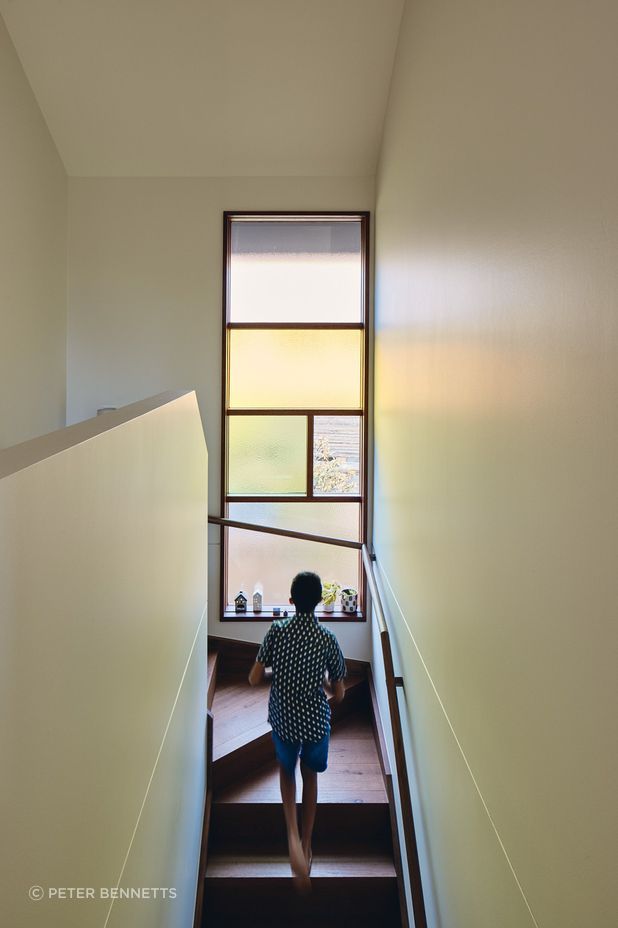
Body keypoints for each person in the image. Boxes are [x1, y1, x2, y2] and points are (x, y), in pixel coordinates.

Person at [248, 571, 346, 885]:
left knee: (286, 770)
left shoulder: (277, 630)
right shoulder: (327, 638)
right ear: (319, 601)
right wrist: (323, 681)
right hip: (314, 722)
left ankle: (291, 832)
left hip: (284, 718)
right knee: (310, 775)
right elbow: (339, 694)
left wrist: (277, 673)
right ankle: (306, 843)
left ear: (291, 601)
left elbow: (253, 678)